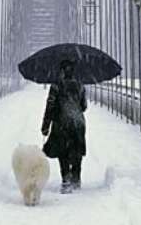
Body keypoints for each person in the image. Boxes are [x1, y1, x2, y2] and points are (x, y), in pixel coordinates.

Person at [41, 59, 87, 193]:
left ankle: (66, 180)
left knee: (63, 152)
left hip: (62, 123)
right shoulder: (80, 85)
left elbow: (50, 106)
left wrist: (45, 125)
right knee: (76, 151)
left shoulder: (56, 85)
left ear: (61, 70)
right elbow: (84, 106)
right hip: (79, 123)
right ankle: (76, 179)